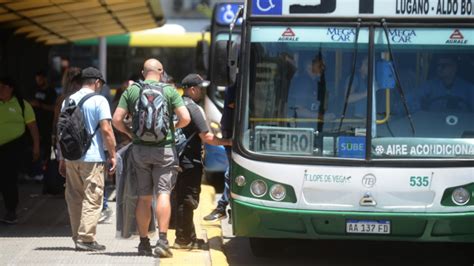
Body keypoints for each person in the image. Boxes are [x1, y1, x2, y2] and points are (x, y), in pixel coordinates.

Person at [112, 58, 190, 257]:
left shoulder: (132, 90)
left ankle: (144, 242)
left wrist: (130, 134)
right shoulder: (169, 90)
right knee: (163, 193)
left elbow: (116, 120)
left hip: (140, 151)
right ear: (161, 71)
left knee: (144, 197)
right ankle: (162, 241)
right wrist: (173, 128)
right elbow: (186, 118)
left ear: (143, 72)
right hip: (164, 149)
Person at [59, 67, 117, 251]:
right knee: (93, 197)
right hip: (92, 158)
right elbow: (107, 130)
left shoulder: (67, 100)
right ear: (97, 82)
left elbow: (61, 131)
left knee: (74, 197)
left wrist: (61, 158)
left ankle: (77, 236)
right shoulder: (99, 100)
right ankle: (86, 239)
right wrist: (113, 155)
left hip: (71, 156)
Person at [174, 74, 232, 249]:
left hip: (177, 159)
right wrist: (228, 142)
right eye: (200, 88)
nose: (201, 92)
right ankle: (183, 240)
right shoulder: (193, 108)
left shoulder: (176, 105)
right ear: (192, 89)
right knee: (188, 199)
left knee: (182, 198)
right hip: (190, 161)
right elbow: (207, 137)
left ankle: (188, 236)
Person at [0, 77, 40, 224]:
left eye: (3, 87)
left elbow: (33, 127)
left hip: (13, 147)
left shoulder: (22, 105)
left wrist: (36, 146)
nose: (0, 90)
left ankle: (11, 211)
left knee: (9, 179)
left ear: (11, 88)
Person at [203, 82, 235, 222]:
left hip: (236, 134)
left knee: (231, 173)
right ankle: (225, 208)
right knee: (231, 173)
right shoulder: (233, 84)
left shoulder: (239, 84)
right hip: (230, 133)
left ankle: (223, 207)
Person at [28, 71, 57, 181]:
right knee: (34, 147)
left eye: (40, 79)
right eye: (37, 79)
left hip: (46, 124)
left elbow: (54, 107)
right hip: (35, 123)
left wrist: (40, 105)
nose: (38, 81)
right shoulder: (35, 90)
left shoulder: (51, 91)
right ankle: (34, 171)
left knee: (46, 149)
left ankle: (44, 173)